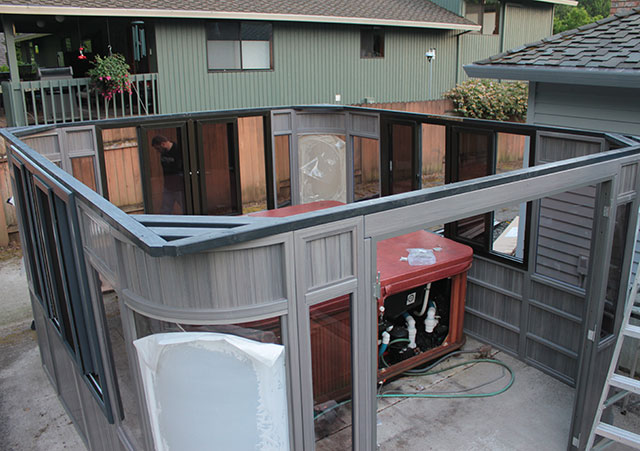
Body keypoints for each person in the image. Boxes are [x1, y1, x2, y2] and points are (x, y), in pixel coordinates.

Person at [151, 135, 184, 214]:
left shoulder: (178, 150)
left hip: (180, 187)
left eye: (158, 148)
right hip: (168, 187)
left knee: (186, 208)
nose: (158, 151)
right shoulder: (164, 153)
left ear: (163, 144)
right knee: (165, 209)